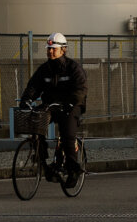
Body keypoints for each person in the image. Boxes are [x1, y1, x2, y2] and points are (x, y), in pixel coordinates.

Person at [19, 32, 88, 184]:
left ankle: (73, 170)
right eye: (48, 49)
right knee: (36, 124)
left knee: (67, 134)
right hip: (51, 105)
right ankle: (43, 163)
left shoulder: (73, 68)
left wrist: (70, 103)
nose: (50, 51)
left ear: (63, 50)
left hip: (71, 106)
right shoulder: (44, 69)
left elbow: (81, 89)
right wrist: (26, 100)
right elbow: (33, 87)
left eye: (54, 49)